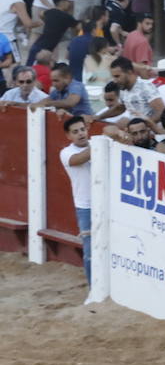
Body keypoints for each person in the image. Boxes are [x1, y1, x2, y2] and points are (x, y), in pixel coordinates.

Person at [57, 114, 94, 288]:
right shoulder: (66, 153)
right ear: (68, 136)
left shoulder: (97, 145)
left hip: (106, 203)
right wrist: (103, 143)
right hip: (85, 206)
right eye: (75, 132)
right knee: (89, 251)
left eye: (82, 129)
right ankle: (93, 287)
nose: (80, 134)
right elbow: (78, 160)